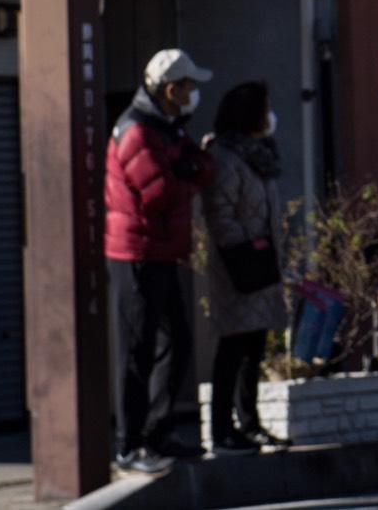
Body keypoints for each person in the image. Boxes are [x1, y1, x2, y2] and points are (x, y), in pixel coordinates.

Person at [105, 48, 215, 474]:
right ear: (172, 89)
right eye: (190, 86)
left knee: (176, 341)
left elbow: (202, 169)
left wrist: (186, 170)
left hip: (163, 251)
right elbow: (161, 194)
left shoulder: (169, 128)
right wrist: (186, 171)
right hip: (136, 253)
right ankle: (129, 445)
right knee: (137, 349)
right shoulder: (136, 131)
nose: (194, 94)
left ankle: (157, 432)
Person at [199, 82, 290, 455]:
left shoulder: (259, 154)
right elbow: (220, 212)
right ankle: (223, 430)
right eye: (265, 108)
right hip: (238, 264)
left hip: (262, 260)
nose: (270, 116)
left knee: (255, 345)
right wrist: (243, 250)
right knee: (233, 345)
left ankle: (250, 423)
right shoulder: (225, 156)